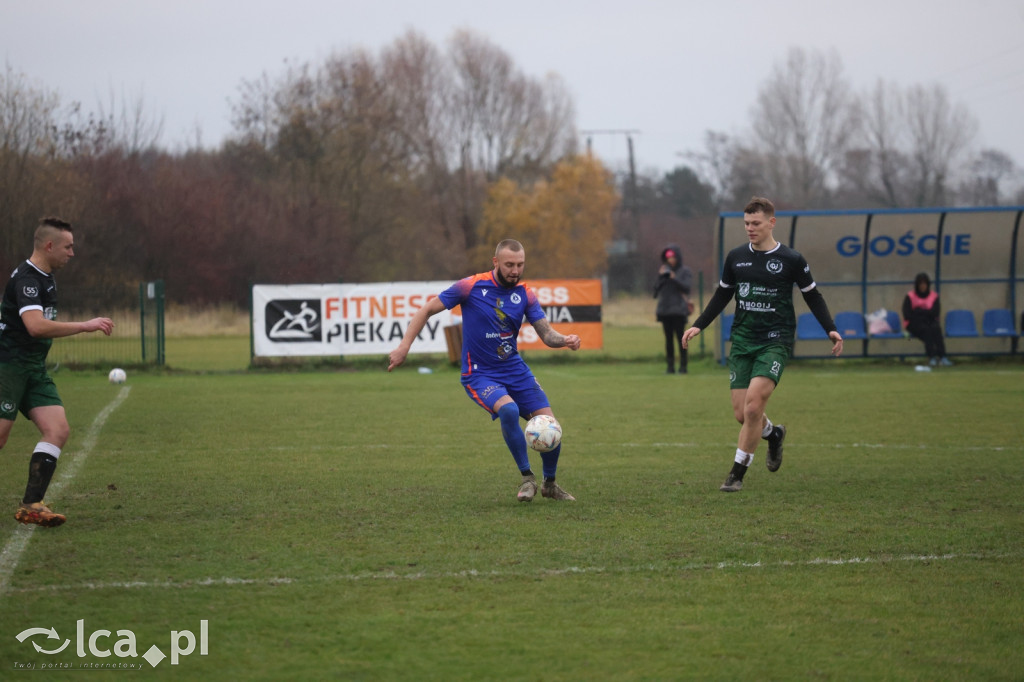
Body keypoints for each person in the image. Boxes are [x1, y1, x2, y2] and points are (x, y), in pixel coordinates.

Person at [388, 239, 581, 502]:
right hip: (479, 374)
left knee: (550, 425)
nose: (515, 270)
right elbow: (426, 310)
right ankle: (528, 479)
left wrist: (565, 340)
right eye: (509, 265)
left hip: (515, 369)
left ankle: (550, 484)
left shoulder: (525, 294)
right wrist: (403, 347)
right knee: (509, 410)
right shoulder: (470, 286)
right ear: (496, 262)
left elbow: (546, 333)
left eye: (520, 265)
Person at [681, 197, 843, 492]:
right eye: (746, 224)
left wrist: (830, 329)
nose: (750, 229)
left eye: (755, 223)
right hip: (743, 340)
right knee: (742, 414)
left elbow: (813, 296)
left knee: (754, 408)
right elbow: (722, 296)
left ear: (771, 222)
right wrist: (698, 325)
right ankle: (774, 434)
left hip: (775, 340)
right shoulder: (736, 257)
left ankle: (736, 474)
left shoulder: (792, 260)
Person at [1, 217, 114, 526]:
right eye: (68, 246)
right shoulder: (27, 278)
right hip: (8, 366)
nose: (72, 253)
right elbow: (35, 327)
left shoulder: (46, 276)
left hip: (33, 369)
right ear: (49, 246)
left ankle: (32, 505)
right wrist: (85, 325)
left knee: (58, 430)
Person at [653, 245, 693, 374]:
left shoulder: (684, 271)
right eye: (668, 258)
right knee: (668, 341)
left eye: (672, 257)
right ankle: (670, 367)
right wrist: (661, 277)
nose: (670, 260)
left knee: (681, 340)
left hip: (679, 311)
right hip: (665, 311)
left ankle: (683, 366)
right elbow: (655, 292)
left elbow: (687, 288)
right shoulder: (663, 272)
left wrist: (674, 278)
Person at [902, 272, 951, 367]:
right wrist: (925, 313)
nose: (922, 286)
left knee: (936, 329)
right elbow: (907, 314)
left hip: (930, 321)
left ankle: (943, 357)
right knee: (927, 331)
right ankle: (932, 357)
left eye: (924, 284)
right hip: (913, 324)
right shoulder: (910, 296)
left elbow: (935, 313)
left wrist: (919, 311)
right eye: (920, 284)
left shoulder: (934, 296)